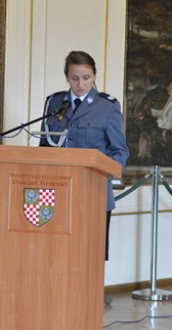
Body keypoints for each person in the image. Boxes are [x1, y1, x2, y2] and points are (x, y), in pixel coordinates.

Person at [40, 51, 130, 304]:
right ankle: (58, 295)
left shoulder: (107, 107)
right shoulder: (54, 104)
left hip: (94, 193)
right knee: (57, 250)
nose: (80, 84)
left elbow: (120, 151)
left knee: (90, 252)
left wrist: (106, 170)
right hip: (57, 192)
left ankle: (89, 297)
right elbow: (46, 147)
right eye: (74, 78)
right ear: (66, 77)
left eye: (86, 78)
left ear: (94, 76)